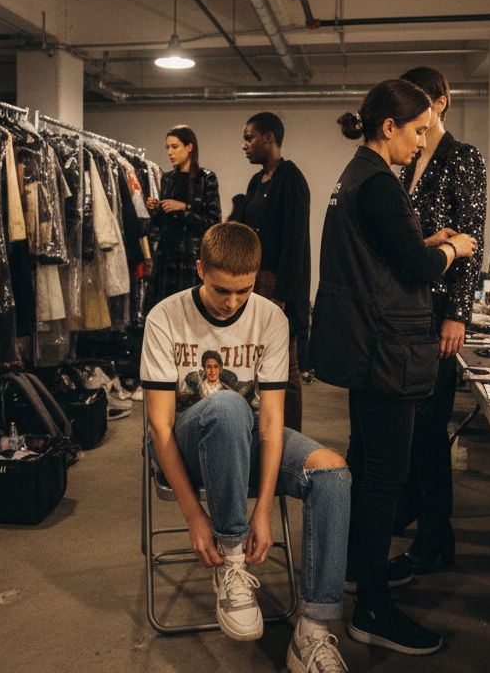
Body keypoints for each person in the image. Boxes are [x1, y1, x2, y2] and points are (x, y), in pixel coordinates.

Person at [308, 79, 477, 655]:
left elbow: (381, 252)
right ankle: (373, 609)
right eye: (419, 130)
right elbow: (417, 267)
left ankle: (360, 573)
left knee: (370, 467)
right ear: (390, 128)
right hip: (387, 348)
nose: (422, 141)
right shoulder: (380, 181)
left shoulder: (357, 175)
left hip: (369, 344)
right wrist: (456, 248)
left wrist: (425, 239)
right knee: (385, 477)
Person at [142, 222, 352, 673]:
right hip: (187, 443)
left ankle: (312, 632)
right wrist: (194, 516)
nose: (232, 302)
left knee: (332, 473)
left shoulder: (271, 317)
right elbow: (159, 429)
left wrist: (262, 511)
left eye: (244, 290)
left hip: (247, 438)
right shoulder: (164, 316)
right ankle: (231, 560)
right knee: (227, 407)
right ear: (200, 269)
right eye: (221, 290)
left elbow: (274, 421)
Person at [390, 67, 485, 581]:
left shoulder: (462, 157)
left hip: (439, 310)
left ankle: (435, 535)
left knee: (430, 430)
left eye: (426, 100)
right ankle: (412, 512)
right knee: (409, 428)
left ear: (443, 102)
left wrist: (458, 316)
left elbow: (472, 241)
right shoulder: (403, 160)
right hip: (405, 306)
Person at [234, 111, 311, 431]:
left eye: (249, 138)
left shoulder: (291, 179)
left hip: (279, 285)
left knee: (286, 365)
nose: (245, 145)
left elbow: (295, 242)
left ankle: (290, 435)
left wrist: (281, 296)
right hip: (253, 281)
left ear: (269, 138)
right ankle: (262, 427)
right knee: (256, 360)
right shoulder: (256, 181)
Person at [145, 125, 220, 314]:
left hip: (191, 258)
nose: (170, 152)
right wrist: (155, 209)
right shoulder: (167, 178)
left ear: (189, 147)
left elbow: (213, 221)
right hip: (166, 256)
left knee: (189, 312)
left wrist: (184, 208)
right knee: (163, 312)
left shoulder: (206, 179)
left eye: (174, 147)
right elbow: (161, 222)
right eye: (167, 147)